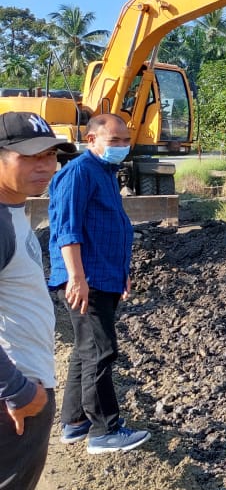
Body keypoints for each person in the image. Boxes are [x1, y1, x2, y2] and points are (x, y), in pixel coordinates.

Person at [0, 111, 77, 490]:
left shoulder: (14, 212)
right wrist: (17, 389)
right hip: (15, 394)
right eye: (30, 156)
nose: (45, 165)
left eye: (50, 155)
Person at [48, 113, 150, 454]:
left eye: (125, 140)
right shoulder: (77, 173)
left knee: (84, 350)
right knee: (102, 350)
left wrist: (121, 272)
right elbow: (68, 230)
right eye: (114, 140)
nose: (122, 146)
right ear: (91, 140)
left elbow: (111, 227)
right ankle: (104, 430)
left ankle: (75, 422)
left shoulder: (105, 173)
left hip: (103, 276)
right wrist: (76, 278)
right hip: (85, 279)